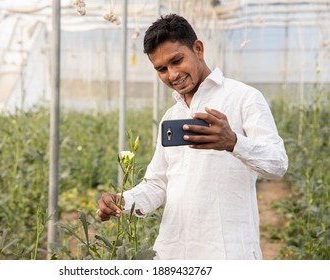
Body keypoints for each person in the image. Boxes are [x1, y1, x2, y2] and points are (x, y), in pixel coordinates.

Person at [97, 14, 288, 260]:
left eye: (177, 61)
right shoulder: (171, 116)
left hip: (227, 251)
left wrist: (233, 143)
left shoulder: (244, 98)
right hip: (173, 252)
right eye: (161, 69)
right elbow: (158, 184)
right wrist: (123, 200)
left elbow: (278, 164)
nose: (172, 75)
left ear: (198, 48)